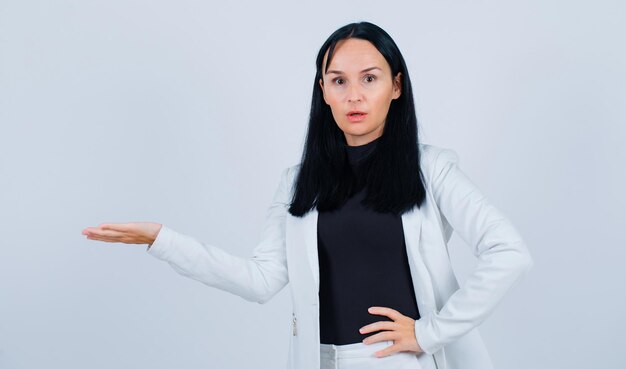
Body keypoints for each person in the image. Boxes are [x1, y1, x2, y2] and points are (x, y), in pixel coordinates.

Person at [82, 21, 533, 369]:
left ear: (396, 86)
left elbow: (508, 251)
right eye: (338, 81)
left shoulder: (430, 168)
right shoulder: (299, 182)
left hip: (398, 362)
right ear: (323, 91)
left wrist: (431, 333)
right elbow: (260, 281)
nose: (353, 95)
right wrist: (161, 239)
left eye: (369, 79)